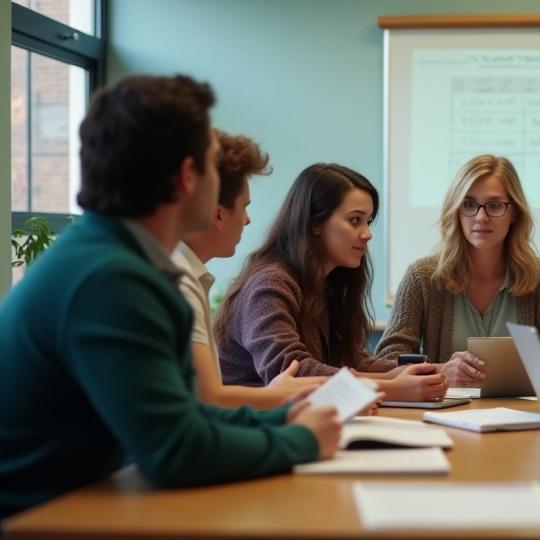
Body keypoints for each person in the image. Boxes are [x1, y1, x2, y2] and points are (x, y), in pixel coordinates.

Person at [0, 75, 340, 521]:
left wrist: (282, 419)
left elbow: (188, 416)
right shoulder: (110, 280)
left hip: (81, 502)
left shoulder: (117, 260)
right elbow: (176, 451)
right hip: (40, 521)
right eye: (214, 167)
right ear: (186, 177)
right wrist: (304, 440)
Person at [215, 163, 447, 401]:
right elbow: (292, 374)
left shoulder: (328, 282)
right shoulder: (269, 284)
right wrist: (393, 387)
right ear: (315, 223)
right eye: (355, 220)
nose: (367, 233)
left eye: (368, 221)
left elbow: (352, 361)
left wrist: (422, 371)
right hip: (254, 427)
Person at [375, 154, 540, 386]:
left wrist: (512, 372)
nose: (481, 217)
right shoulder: (423, 277)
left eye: (495, 205)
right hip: (445, 414)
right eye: (468, 205)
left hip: (523, 412)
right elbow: (386, 360)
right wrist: (442, 370)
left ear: (515, 212)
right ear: (456, 211)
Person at [174, 129, 325, 408]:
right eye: (244, 208)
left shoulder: (188, 274)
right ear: (218, 213)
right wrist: (277, 397)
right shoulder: (177, 279)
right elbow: (209, 400)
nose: (247, 220)